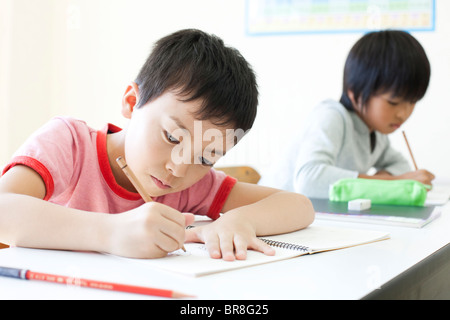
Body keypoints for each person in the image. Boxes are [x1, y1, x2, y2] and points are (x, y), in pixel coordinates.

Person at [0, 29, 314, 261]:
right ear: (132, 102)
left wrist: (240, 220)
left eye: (206, 157)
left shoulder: (193, 184)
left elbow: (299, 206)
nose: (178, 167)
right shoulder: (69, 143)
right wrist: (112, 232)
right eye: (172, 138)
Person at [259, 30, 435, 199]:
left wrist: (389, 180)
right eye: (393, 102)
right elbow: (309, 179)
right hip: (265, 213)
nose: (403, 114)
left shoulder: (376, 132)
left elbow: (400, 165)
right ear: (355, 91)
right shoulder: (332, 117)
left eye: (412, 101)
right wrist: (389, 182)